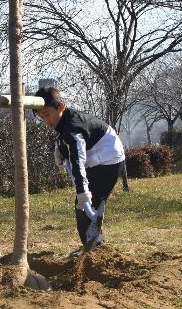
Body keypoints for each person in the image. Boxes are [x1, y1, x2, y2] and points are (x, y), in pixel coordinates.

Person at [33, 87, 125, 252]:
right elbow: (67, 144)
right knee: (84, 207)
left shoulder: (72, 128)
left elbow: (78, 159)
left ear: (60, 107)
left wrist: (83, 191)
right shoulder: (67, 120)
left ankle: (95, 251)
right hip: (101, 158)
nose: (46, 121)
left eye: (47, 114)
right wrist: (59, 148)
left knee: (84, 207)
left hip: (108, 160)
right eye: (41, 117)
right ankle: (95, 248)